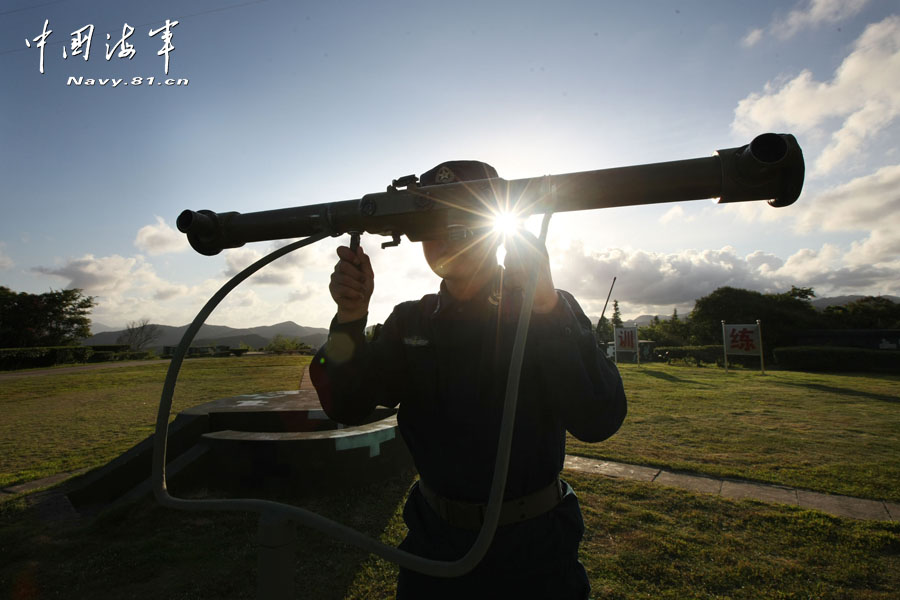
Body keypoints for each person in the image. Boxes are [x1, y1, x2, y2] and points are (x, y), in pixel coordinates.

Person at [310, 160, 626, 598]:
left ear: (494, 228)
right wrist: (348, 319)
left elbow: (599, 419)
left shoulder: (545, 307)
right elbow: (345, 404)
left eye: (464, 220)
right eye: (431, 222)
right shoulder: (409, 322)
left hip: (535, 553)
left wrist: (548, 308)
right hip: (433, 547)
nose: (447, 234)